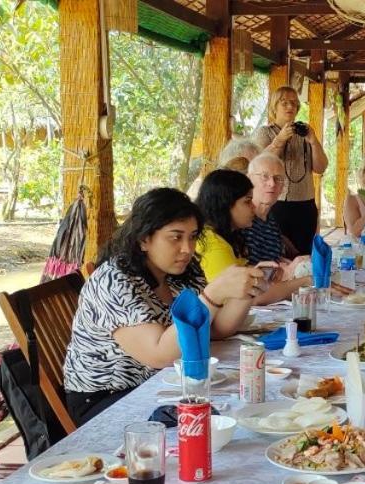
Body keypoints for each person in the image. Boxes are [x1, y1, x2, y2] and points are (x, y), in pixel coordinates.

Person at [63, 188, 262, 425]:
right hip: (109, 398)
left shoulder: (181, 272)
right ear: (144, 239)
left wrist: (248, 290)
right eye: (176, 237)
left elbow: (215, 329)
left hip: (162, 385)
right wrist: (211, 295)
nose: (188, 248)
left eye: (192, 236)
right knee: (223, 419)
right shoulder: (114, 280)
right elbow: (158, 355)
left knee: (247, 409)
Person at [196, 169, 311, 305]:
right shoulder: (211, 242)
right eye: (247, 201)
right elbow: (252, 297)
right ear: (225, 204)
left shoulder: (229, 236)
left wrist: (263, 273)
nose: (253, 206)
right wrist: (306, 281)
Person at [254, 86, 328, 255]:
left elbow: (321, 167)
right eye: (284, 103)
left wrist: (313, 141)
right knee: (277, 255)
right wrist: (279, 140)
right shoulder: (265, 133)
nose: (290, 107)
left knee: (305, 256)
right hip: (276, 204)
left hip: (305, 204)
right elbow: (260, 164)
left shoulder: (304, 134)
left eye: (294, 103)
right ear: (274, 107)